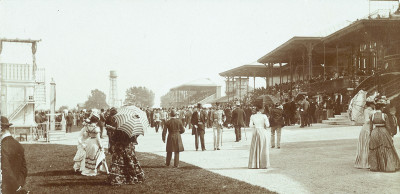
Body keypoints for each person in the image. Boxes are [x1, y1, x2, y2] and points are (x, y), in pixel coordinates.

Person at [106, 110, 145, 185]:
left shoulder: (121, 127)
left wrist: (112, 130)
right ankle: (133, 176)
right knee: (130, 161)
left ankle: (120, 177)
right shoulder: (133, 129)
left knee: (119, 162)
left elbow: (115, 138)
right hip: (129, 148)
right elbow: (133, 138)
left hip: (120, 147)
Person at [368, 97, 400, 172]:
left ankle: (376, 167)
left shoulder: (372, 115)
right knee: (386, 148)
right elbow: (388, 126)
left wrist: (371, 135)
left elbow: (370, 127)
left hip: (374, 132)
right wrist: (390, 134)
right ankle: (387, 166)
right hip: (383, 131)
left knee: (375, 148)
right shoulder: (384, 115)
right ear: (381, 107)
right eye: (383, 107)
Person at [1, 116, 29, 194]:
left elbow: (6, 170)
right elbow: (24, 168)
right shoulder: (18, 145)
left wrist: (15, 186)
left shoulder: (2, 147)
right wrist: (19, 185)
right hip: (16, 187)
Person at [354, 97, 374, 169]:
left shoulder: (372, 110)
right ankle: (364, 162)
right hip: (366, 128)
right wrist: (373, 117)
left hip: (371, 127)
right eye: (372, 104)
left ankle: (370, 161)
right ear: (370, 104)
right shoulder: (366, 110)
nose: (374, 105)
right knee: (366, 144)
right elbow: (366, 120)